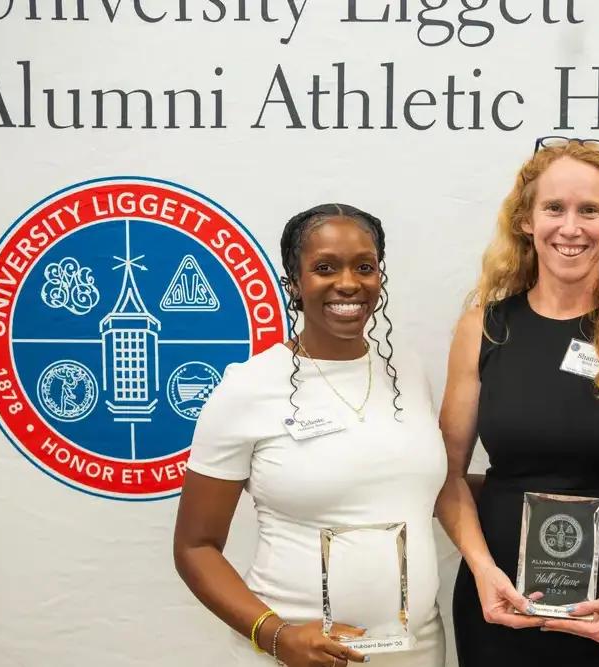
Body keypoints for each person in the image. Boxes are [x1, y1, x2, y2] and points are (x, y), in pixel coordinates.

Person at [435, 137, 599, 667]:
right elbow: (446, 476)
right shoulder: (483, 329)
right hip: (502, 606)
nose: (571, 227)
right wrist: (485, 575)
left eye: (590, 210)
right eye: (554, 208)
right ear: (527, 221)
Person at [172, 203, 448, 667]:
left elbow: (429, 490)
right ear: (294, 285)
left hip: (414, 650)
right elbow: (194, 548)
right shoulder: (249, 386)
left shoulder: (406, 370)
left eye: (365, 266)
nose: (348, 283)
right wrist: (278, 637)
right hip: (296, 656)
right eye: (324, 268)